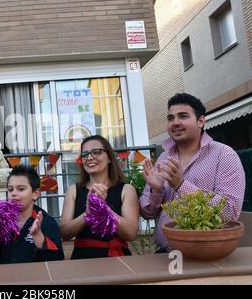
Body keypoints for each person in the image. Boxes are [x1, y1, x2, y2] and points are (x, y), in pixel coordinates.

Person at [140, 93, 246, 253]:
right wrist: (157, 190)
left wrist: (181, 185)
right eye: (170, 118)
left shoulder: (223, 155)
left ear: (201, 121)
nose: (175, 122)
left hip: (206, 253)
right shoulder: (164, 157)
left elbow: (229, 212)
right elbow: (148, 213)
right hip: (164, 253)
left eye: (183, 116)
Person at [61, 135, 139, 259]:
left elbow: (131, 233)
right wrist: (88, 213)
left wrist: (104, 209)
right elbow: (65, 233)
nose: (89, 157)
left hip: (117, 260)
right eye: (85, 154)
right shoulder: (73, 190)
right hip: (82, 260)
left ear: (109, 158)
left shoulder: (126, 189)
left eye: (96, 152)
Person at [0, 165, 64, 264]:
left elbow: (56, 262)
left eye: (21, 189)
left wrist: (38, 236)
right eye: (10, 189)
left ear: (35, 193)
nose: (13, 193)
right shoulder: (0, 222)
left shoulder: (47, 223)